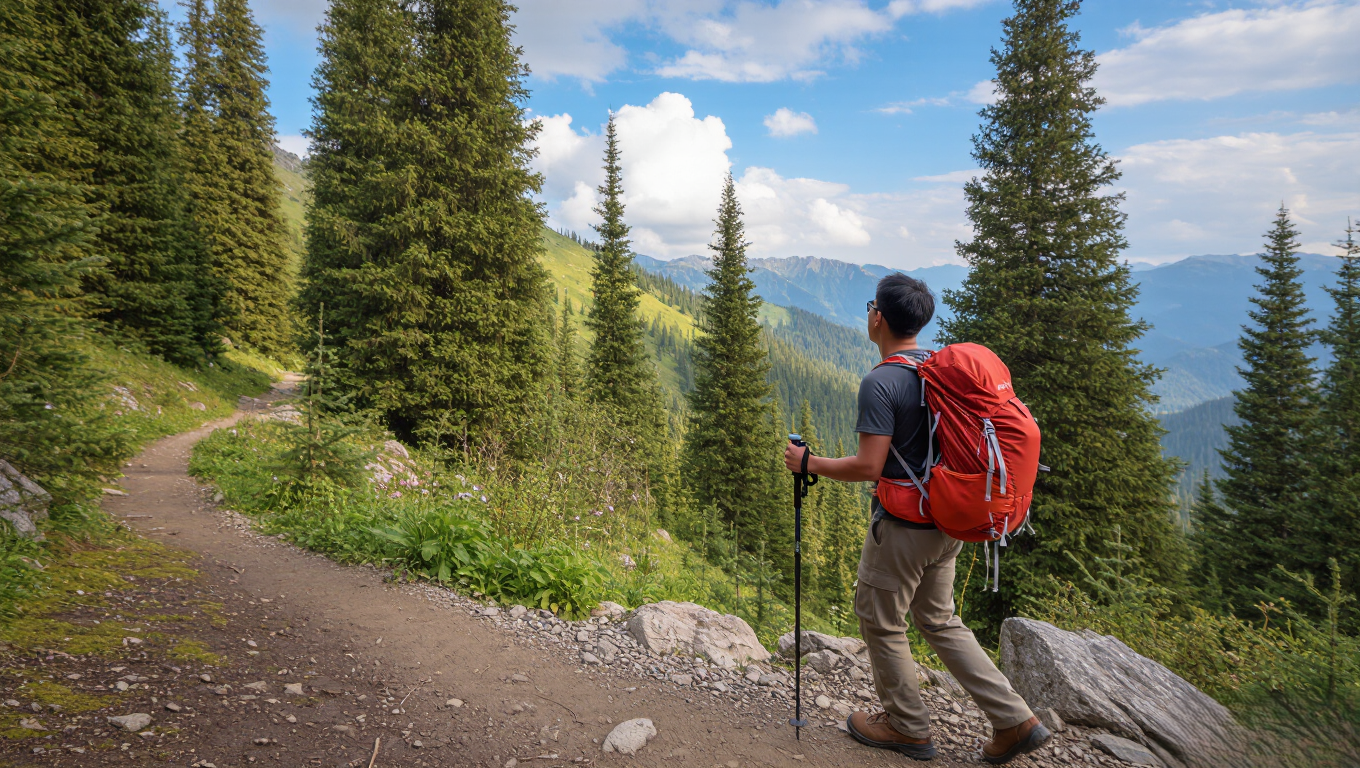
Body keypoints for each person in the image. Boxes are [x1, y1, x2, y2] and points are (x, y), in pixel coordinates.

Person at [782, 273, 1050, 764]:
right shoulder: (938, 368)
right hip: (949, 521)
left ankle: (907, 727)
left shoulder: (882, 381)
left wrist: (809, 463)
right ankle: (1015, 720)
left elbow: (869, 465)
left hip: (903, 528)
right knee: (939, 619)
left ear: (878, 316)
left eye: (870, 307)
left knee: (881, 621)